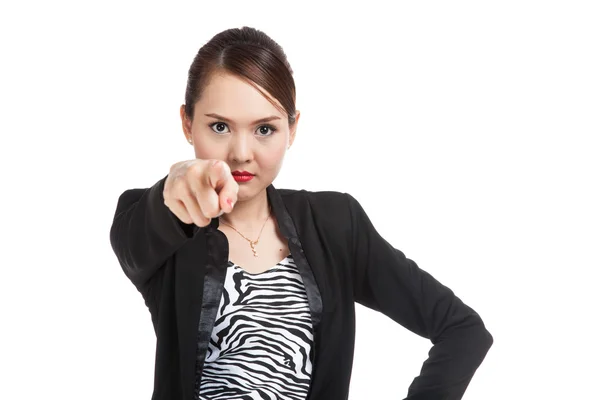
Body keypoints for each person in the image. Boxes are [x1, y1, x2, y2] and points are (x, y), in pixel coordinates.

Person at [109, 26, 493, 400]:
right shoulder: (154, 219)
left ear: (292, 129)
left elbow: (463, 330)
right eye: (220, 126)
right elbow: (138, 237)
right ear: (187, 124)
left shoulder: (335, 223)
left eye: (264, 129)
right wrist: (172, 189)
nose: (242, 152)